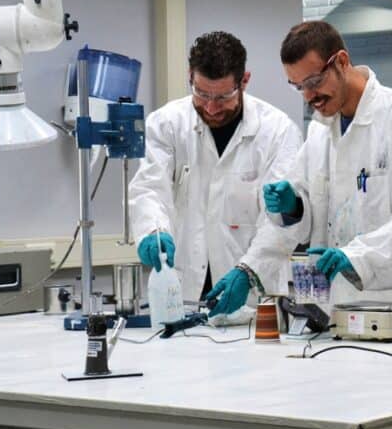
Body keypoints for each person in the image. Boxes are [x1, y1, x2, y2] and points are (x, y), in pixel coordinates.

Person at [263, 21, 392, 330]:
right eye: (299, 86)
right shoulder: (320, 132)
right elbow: (309, 216)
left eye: (314, 81)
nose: (309, 96)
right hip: (342, 316)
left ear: (341, 61)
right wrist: (294, 206)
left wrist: (358, 256)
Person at [129, 31, 302, 319]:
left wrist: (249, 270)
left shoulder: (278, 132)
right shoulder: (166, 124)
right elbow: (149, 188)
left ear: (244, 81)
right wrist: (153, 230)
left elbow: (278, 221)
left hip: (253, 301)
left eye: (222, 97)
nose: (210, 107)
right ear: (190, 76)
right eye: (201, 93)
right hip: (182, 298)